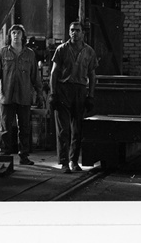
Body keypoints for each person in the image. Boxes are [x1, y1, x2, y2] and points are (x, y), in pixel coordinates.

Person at [48, 21, 98, 173]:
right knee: (64, 130)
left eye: (77, 30)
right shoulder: (62, 49)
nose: (74, 33)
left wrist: (91, 95)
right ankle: (64, 163)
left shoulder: (89, 52)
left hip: (80, 91)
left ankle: (74, 161)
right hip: (64, 90)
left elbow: (92, 74)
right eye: (71, 30)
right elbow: (54, 73)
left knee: (77, 129)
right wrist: (52, 93)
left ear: (83, 33)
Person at [0, 24, 43, 165]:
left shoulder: (30, 54)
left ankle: (24, 156)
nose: (16, 35)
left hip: (24, 96)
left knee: (25, 128)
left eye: (18, 33)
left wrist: (40, 94)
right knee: (5, 128)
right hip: (7, 96)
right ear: (10, 36)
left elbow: (35, 76)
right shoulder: (2, 53)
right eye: (13, 33)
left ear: (23, 36)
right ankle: (4, 155)